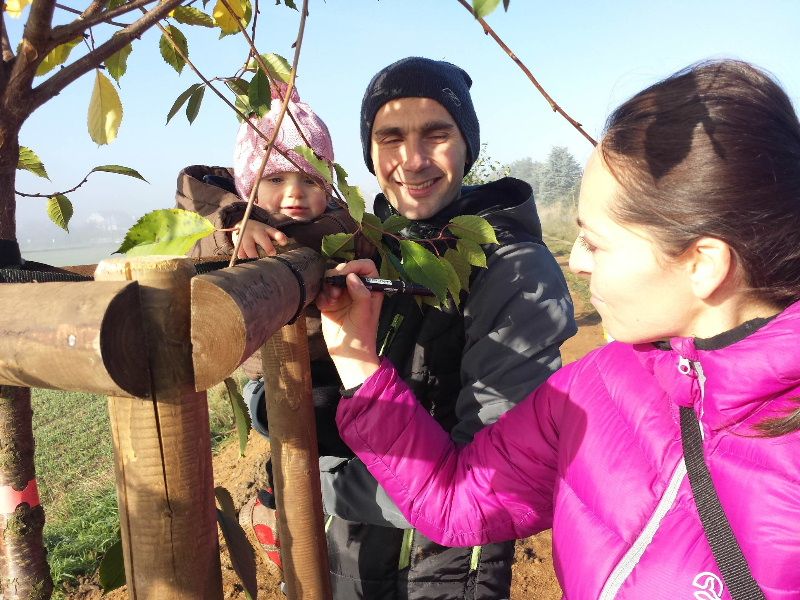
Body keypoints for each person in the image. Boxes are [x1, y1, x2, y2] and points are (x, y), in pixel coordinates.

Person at [318, 59, 800, 599]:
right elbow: (458, 498)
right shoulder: (593, 391)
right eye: (391, 136)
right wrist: (354, 358)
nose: (575, 262)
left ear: (703, 264)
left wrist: (326, 486)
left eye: (596, 241)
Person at [317, 57, 576, 599]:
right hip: (356, 546)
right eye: (390, 137)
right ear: (369, 152)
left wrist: (330, 475)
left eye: (437, 134)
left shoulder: (514, 270)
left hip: (450, 562)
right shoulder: (372, 247)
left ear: (467, 146)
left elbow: (488, 477)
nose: (412, 160)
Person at [174, 84, 356, 569]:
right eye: (275, 180)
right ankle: (278, 508)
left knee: (339, 425)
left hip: (336, 362)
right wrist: (234, 220)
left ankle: (325, 512)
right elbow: (192, 188)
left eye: (310, 180)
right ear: (249, 185)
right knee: (307, 422)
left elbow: (343, 236)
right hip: (274, 376)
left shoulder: (338, 222)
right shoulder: (233, 228)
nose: (295, 194)